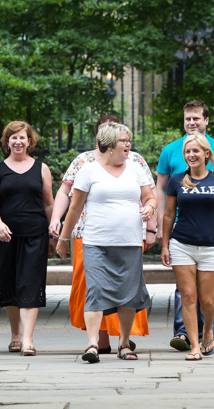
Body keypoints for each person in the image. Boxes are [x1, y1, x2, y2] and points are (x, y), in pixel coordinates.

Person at [49, 114, 155, 353]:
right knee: (95, 291)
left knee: (129, 294)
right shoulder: (87, 168)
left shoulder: (136, 166)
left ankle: (125, 343)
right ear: (108, 145)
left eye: (129, 140)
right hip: (95, 241)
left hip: (129, 241)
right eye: (123, 140)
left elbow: (150, 196)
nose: (128, 144)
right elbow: (74, 206)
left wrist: (149, 210)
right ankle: (93, 344)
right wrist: (63, 238)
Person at [155, 100, 214, 350]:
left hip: (210, 233)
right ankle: (186, 334)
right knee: (185, 292)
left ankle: (206, 329)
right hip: (180, 233)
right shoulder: (170, 151)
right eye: (188, 119)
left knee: (207, 299)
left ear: (206, 120)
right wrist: (159, 230)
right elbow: (161, 190)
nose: (192, 123)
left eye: (196, 118)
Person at [0, 120, 53, 356]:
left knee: (30, 284)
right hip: (6, 236)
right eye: (13, 137)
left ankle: (27, 339)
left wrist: (53, 234)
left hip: (35, 234)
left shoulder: (41, 168)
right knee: (10, 284)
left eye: (22, 137)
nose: (18, 141)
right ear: (7, 142)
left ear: (29, 141)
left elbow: (49, 203)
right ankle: (15, 333)